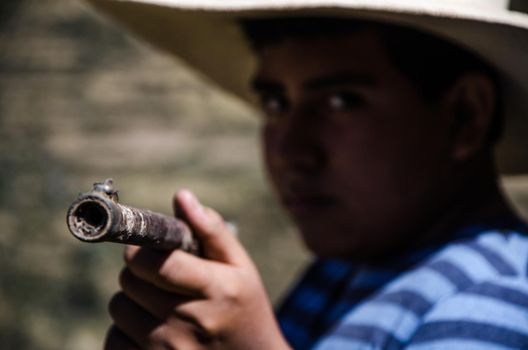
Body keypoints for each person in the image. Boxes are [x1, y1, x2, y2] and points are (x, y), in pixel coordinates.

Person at [86, 1, 528, 349]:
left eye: (341, 102)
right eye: (276, 103)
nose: (291, 151)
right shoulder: (337, 273)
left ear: (466, 115)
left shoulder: (503, 300)